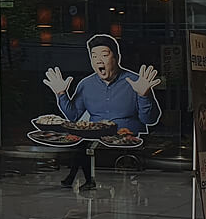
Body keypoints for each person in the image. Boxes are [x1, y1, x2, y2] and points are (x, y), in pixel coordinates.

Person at [44, 35, 161, 190]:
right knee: (82, 147)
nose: (99, 60)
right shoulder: (86, 84)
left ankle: (77, 178)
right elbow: (73, 116)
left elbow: (150, 120)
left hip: (128, 139)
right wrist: (61, 94)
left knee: (87, 149)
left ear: (117, 57)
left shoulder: (136, 82)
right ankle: (87, 180)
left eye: (104, 55)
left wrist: (144, 95)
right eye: (94, 56)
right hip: (96, 138)